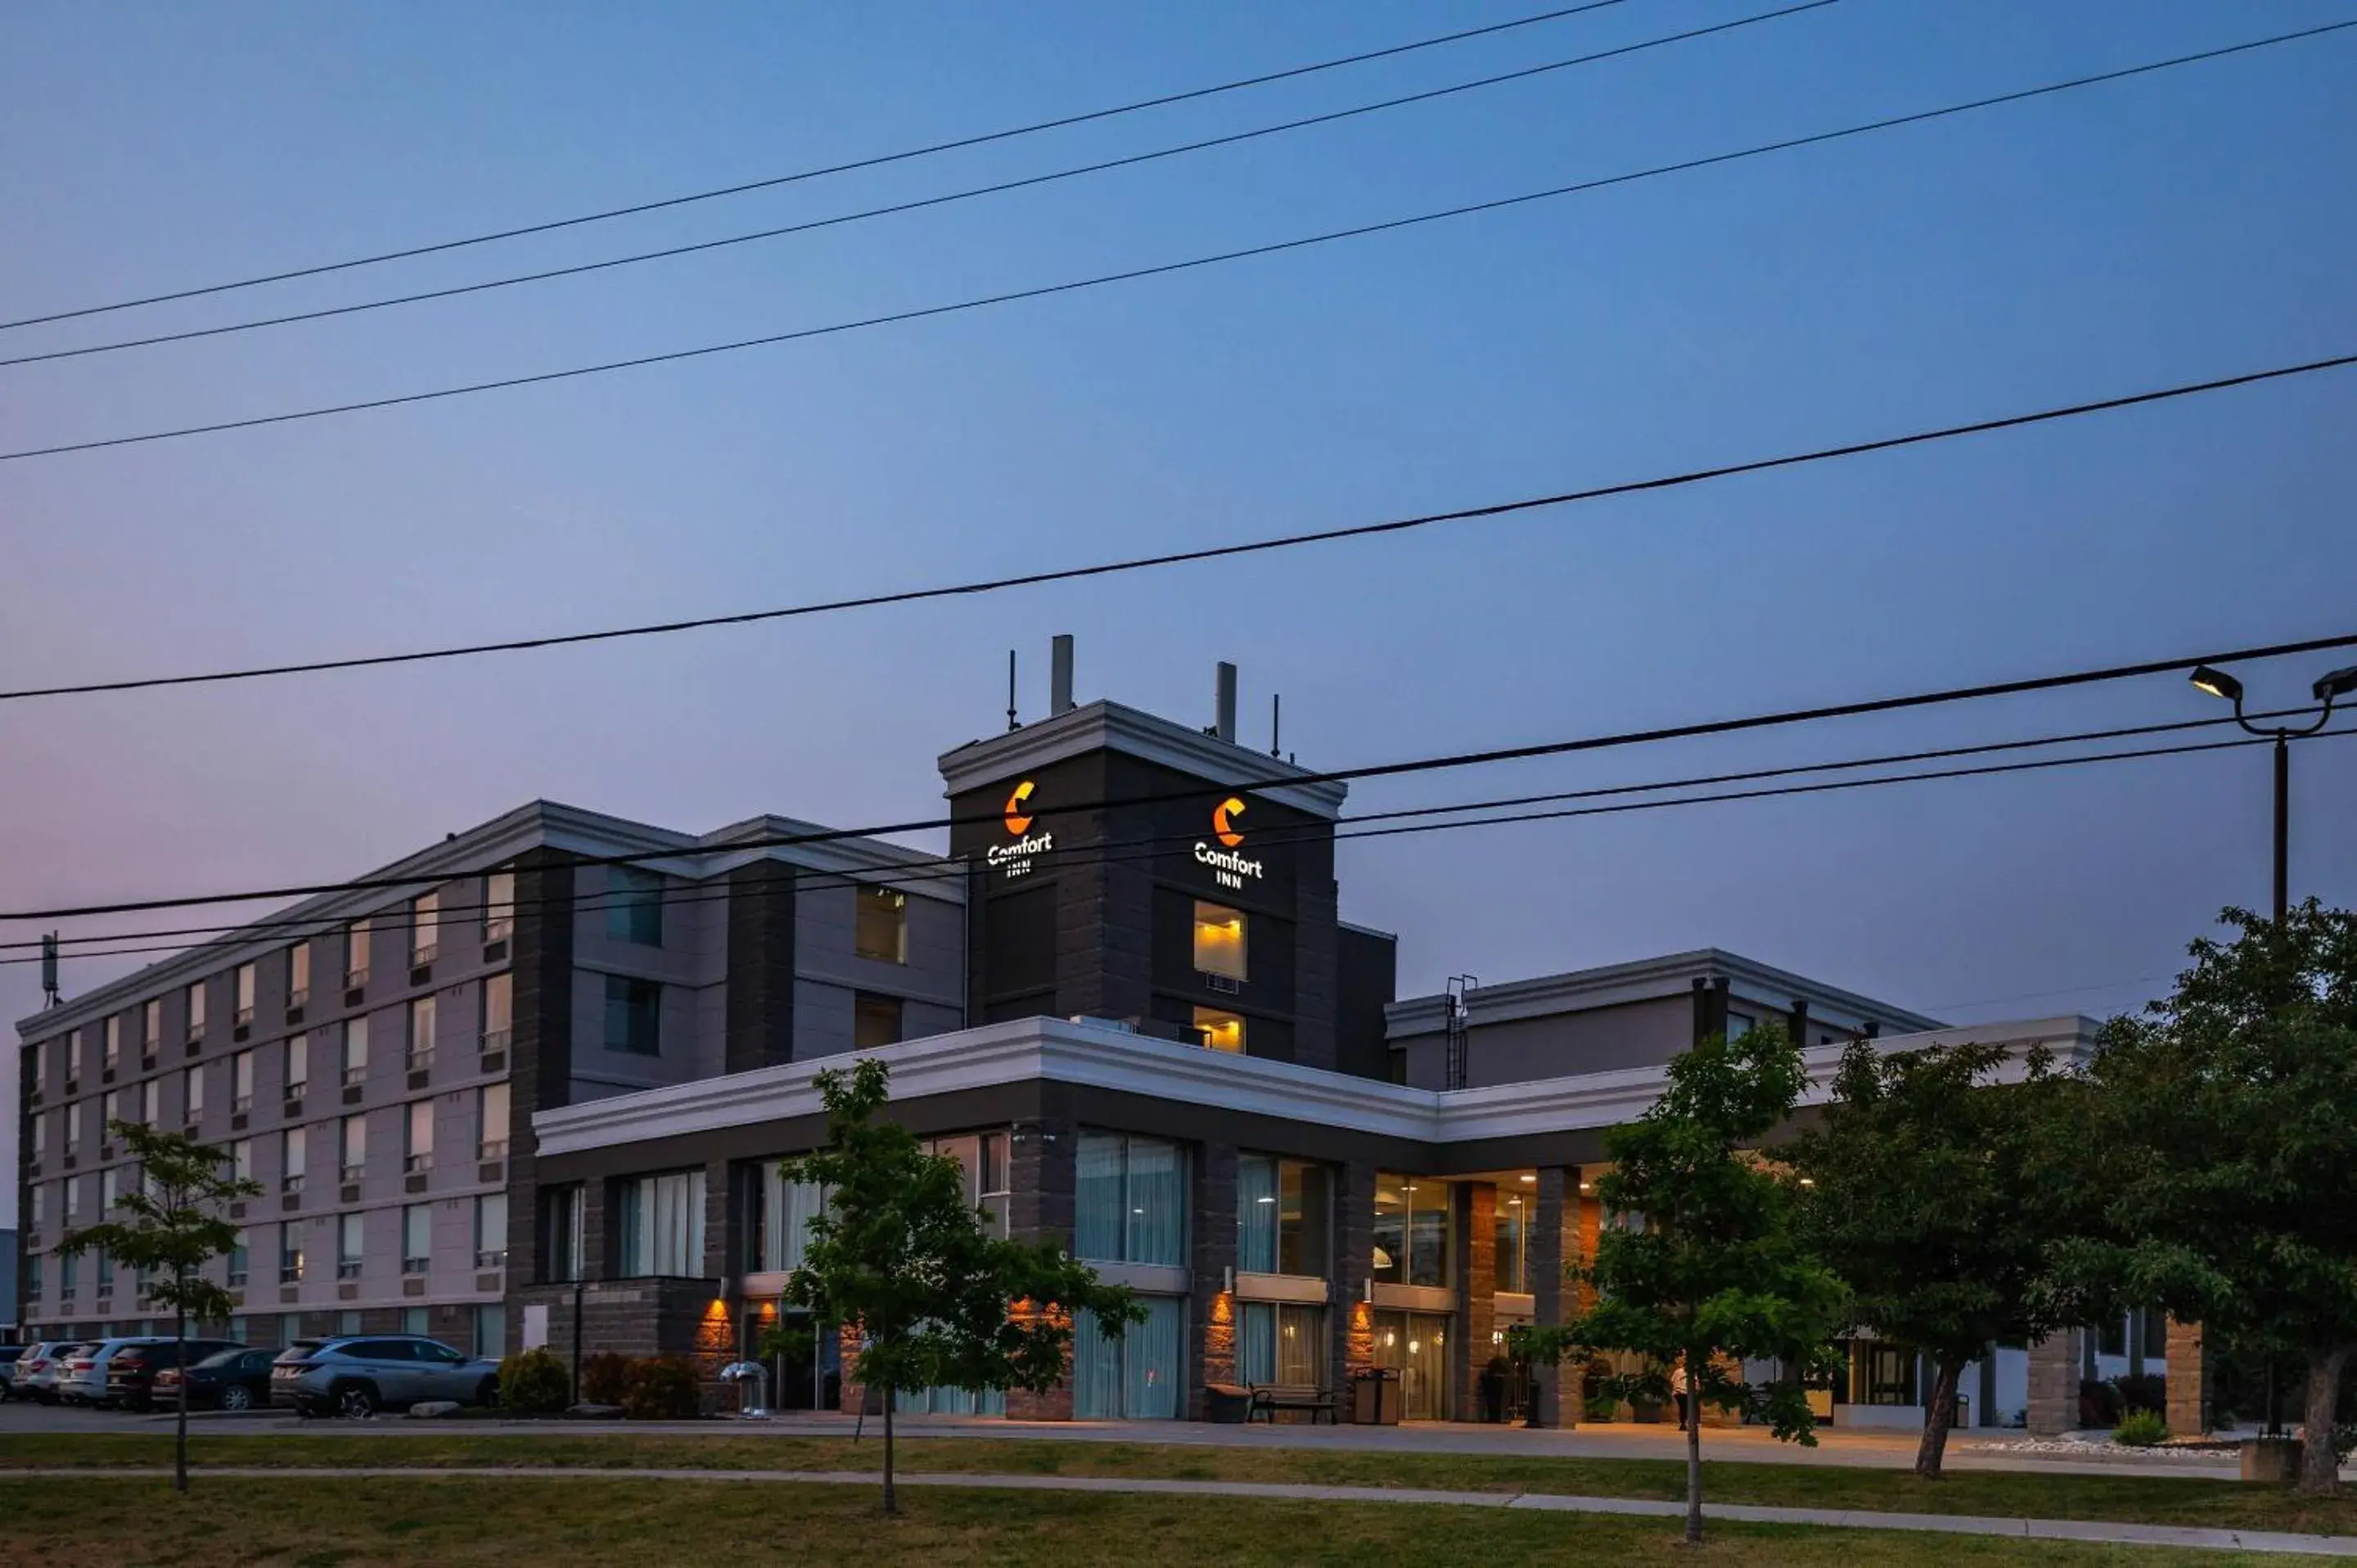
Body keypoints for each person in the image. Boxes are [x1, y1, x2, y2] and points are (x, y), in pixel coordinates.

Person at [1670, 1358, 1691, 1431]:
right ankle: (1684, 1423)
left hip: (1677, 1392)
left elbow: (1672, 1380)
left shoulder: (1677, 1371)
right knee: (1685, 1408)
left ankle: (1683, 1423)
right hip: (1685, 1392)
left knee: (1683, 1407)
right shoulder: (1690, 1372)